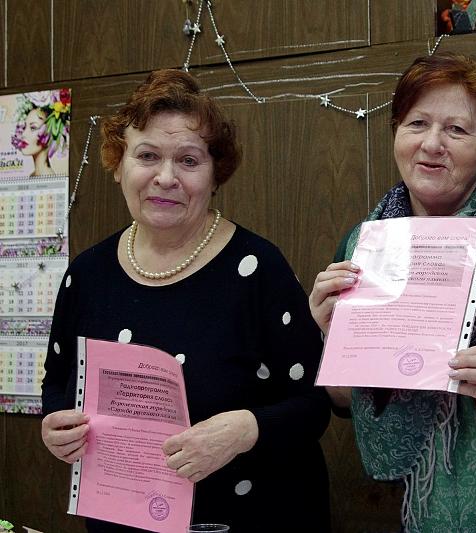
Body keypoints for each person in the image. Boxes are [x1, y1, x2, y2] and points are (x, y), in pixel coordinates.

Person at [39, 70, 331, 531]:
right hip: (123, 520)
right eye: (147, 156)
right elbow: (58, 382)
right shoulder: (87, 274)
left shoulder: (257, 268)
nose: (166, 177)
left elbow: (314, 403)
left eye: (189, 161)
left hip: (252, 517)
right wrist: (56, 425)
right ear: (118, 165)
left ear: (215, 175)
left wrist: (246, 429)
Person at [309, 52, 476, 532]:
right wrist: (332, 339)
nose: (431, 144)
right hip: (415, 501)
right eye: (416, 123)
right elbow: (341, 402)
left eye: (457, 130)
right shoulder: (364, 243)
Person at [11, 90, 71, 176]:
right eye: (24, 127)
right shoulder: (33, 176)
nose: (23, 134)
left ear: (50, 133)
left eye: (33, 128)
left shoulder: (49, 179)